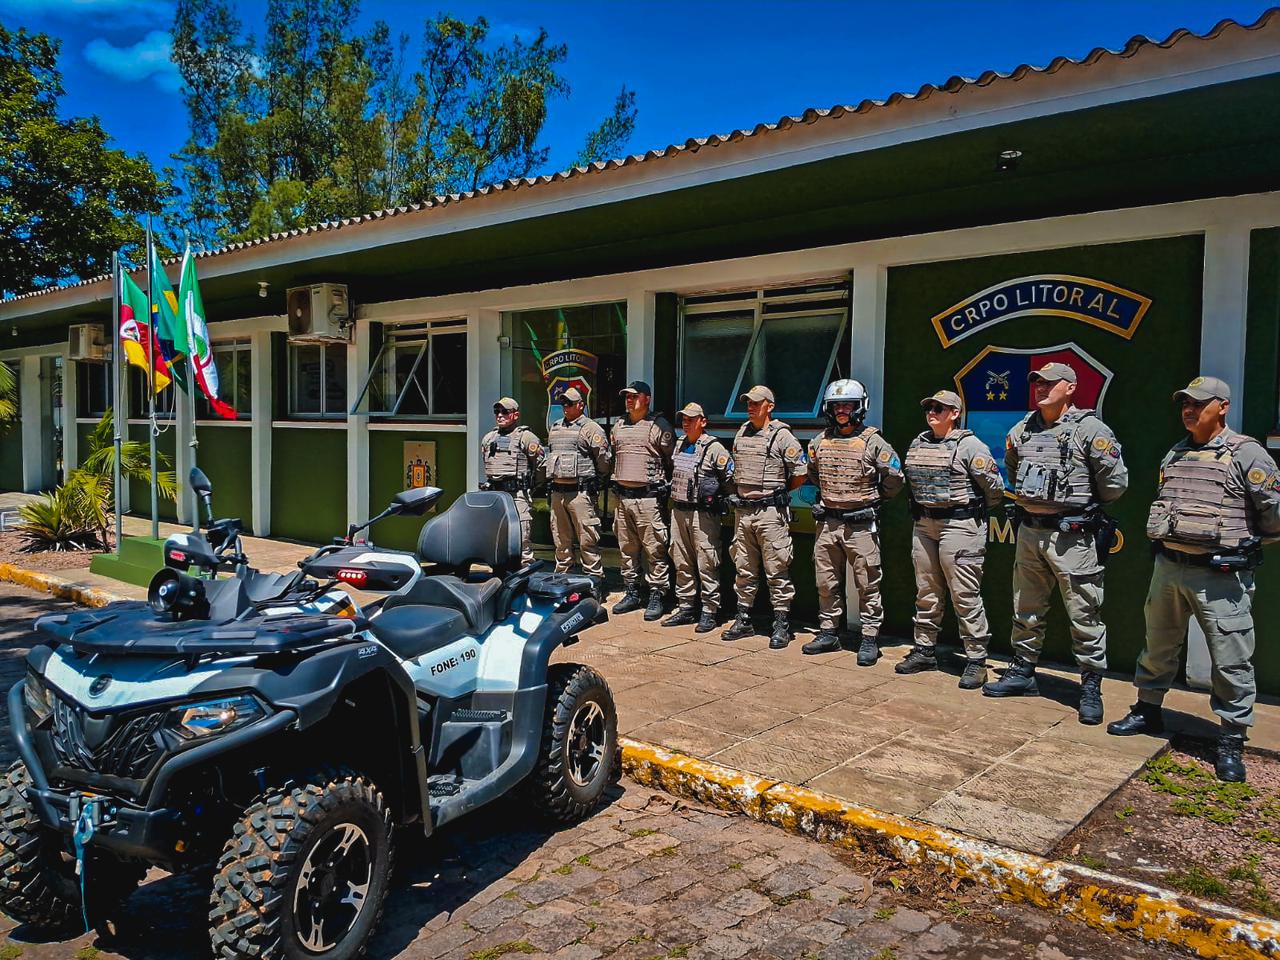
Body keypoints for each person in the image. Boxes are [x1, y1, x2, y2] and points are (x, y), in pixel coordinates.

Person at [1108, 376, 1280, 783]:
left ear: (1222, 407)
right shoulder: (1176, 453)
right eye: (1184, 402)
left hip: (1220, 575)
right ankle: (1148, 710)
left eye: (1198, 403)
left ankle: (1231, 738)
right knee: (1158, 645)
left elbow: (1273, 515)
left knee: (1231, 658)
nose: (1189, 409)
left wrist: (1241, 547)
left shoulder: (1248, 454)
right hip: (1170, 567)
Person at [983, 362, 1128, 725]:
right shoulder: (1021, 430)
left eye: (1050, 383)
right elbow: (1014, 472)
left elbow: (1114, 484)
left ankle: (1091, 686)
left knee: (1084, 610)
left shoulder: (1091, 430)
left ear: (1071, 388)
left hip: (1072, 537)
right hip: (1030, 531)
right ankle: (1022, 671)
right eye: (1036, 383)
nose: (1040, 388)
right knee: (1026, 606)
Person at [897, 390, 1005, 687]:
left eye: (940, 408)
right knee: (926, 591)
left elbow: (994, 490)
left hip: (960, 525)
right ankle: (924, 650)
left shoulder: (970, 446)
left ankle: (976, 659)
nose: (932, 412)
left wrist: (965, 512)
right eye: (929, 407)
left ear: (955, 413)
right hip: (924, 524)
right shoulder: (919, 443)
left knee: (964, 594)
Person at [804, 379, 904, 663]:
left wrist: (873, 500)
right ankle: (828, 632)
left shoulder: (873, 442)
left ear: (860, 407)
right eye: (837, 406)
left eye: (848, 405)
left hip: (861, 524)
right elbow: (813, 474)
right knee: (826, 582)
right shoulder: (818, 442)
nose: (842, 411)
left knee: (868, 583)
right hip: (828, 523)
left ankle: (870, 637)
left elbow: (894, 479)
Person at [722, 385, 808, 648]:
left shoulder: (782, 436)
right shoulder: (742, 433)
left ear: (769, 406)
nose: (750, 407)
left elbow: (801, 472)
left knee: (776, 569)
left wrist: (777, 492)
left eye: (756, 403)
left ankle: (781, 623)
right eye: (747, 402)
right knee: (744, 567)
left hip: (770, 513)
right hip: (744, 512)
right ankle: (744, 618)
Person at [664, 402, 734, 633]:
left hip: (703, 514)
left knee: (707, 561)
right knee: (681, 559)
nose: (686, 423)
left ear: (702, 422)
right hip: (679, 510)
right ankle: (686, 608)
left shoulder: (714, 448)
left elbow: (730, 480)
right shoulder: (680, 444)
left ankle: (709, 611)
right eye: (684, 419)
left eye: (691, 419)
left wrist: (718, 499)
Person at [610, 381, 676, 620]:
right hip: (623, 498)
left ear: (647, 398)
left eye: (634, 396)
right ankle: (632, 591)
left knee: (655, 548)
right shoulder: (618, 425)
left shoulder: (659, 426)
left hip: (648, 499)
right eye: (627, 396)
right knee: (627, 549)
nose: (629, 400)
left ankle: (657, 594)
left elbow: (672, 461)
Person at [546, 386, 612, 597]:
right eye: (563, 403)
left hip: (581, 493)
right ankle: (562, 580)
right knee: (560, 539)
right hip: (558, 493)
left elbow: (603, 460)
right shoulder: (555, 428)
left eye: (570, 403)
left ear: (581, 405)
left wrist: (597, 481)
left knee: (587, 539)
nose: (565, 407)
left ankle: (594, 582)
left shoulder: (591, 428)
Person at [480, 397, 545, 566]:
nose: (500, 415)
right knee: (495, 539)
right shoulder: (488, 438)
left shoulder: (527, 438)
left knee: (521, 540)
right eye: (497, 412)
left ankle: (523, 581)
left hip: (517, 495)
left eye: (505, 412)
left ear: (515, 415)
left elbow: (540, 467)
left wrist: (531, 486)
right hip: (494, 496)